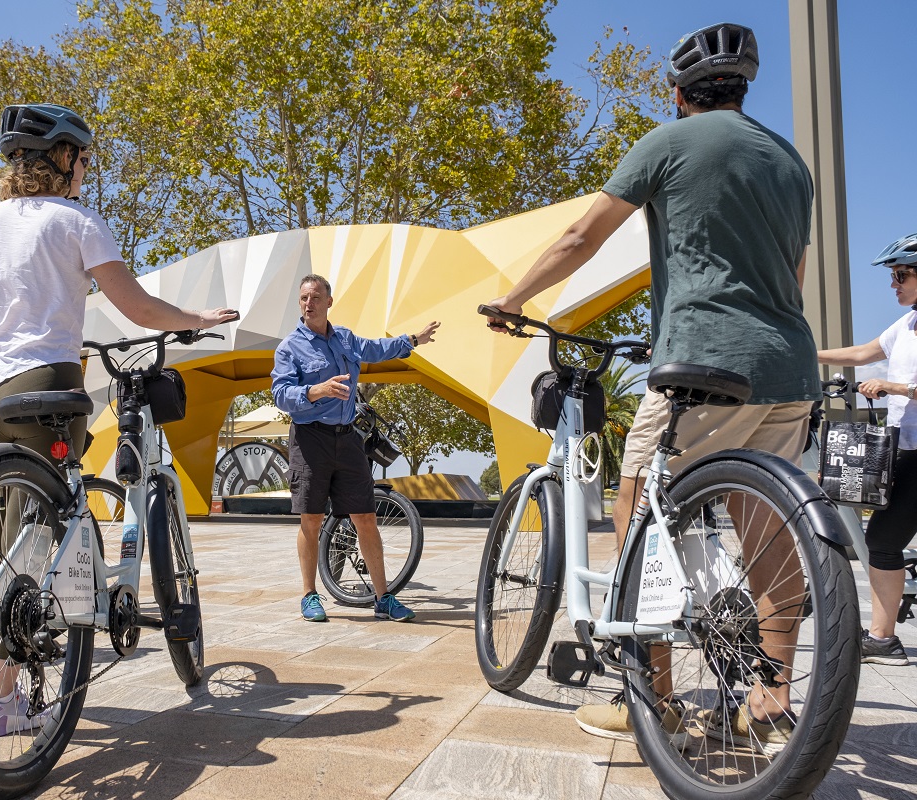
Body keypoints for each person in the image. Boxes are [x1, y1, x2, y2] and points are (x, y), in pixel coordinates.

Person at [486, 22, 819, 752]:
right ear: (744, 89)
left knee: (637, 512)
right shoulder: (790, 161)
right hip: (789, 369)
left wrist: (512, 300)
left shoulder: (668, 144)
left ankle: (655, 701)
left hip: (703, 366)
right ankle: (770, 702)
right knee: (767, 534)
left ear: (678, 95)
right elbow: (792, 278)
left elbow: (582, 238)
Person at [0, 102, 238, 738]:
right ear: (64, 158)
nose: (86, 170)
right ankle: (1, 699)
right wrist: (194, 320)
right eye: (83, 158)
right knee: (36, 537)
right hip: (45, 384)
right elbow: (133, 305)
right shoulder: (76, 220)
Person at [271, 274, 439, 623]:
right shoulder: (289, 347)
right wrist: (317, 390)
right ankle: (309, 595)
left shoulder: (345, 338)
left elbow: (378, 349)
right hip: (310, 439)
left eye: (316, 297)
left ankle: (383, 599)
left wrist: (412, 340)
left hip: (347, 438)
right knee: (311, 520)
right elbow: (280, 394)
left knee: (365, 516)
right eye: (304, 297)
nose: (309, 303)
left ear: (329, 302)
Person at [816, 233, 917, 667]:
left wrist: (895, 386)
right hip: (905, 448)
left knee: (884, 538)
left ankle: (882, 636)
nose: (893, 284)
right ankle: (882, 637)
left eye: (901, 274)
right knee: (884, 539)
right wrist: (802, 353)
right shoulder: (907, 325)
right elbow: (861, 353)